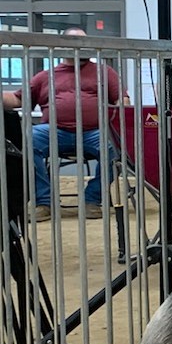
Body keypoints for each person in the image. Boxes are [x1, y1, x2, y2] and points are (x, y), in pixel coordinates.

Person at [1, 27, 122, 220]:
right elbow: (18, 99)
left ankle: (92, 198)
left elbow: (121, 100)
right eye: (77, 43)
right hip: (55, 130)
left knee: (114, 149)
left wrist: (121, 108)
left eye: (85, 43)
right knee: (29, 140)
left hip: (94, 131)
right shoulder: (45, 75)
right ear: (63, 46)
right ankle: (44, 201)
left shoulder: (104, 72)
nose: (82, 48)